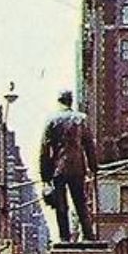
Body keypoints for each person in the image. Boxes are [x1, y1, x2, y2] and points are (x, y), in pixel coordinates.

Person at [38, 89, 98, 242]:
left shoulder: (52, 120)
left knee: (61, 205)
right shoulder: (81, 119)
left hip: (59, 168)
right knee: (81, 203)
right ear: (70, 101)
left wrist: (45, 177)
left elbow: (44, 150)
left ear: (59, 101)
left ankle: (64, 237)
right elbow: (89, 145)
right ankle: (89, 236)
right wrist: (93, 166)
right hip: (78, 167)